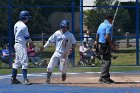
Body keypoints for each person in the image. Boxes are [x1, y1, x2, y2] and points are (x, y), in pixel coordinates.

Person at [40, 20, 76, 84]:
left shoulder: (70, 35)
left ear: (67, 27)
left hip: (64, 54)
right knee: (50, 66)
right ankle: (48, 79)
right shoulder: (57, 33)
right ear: (60, 26)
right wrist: (44, 47)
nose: (64, 28)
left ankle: (64, 73)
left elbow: (74, 43)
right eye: (63, 27)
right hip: (56, 53)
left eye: (65, 27)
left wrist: (71, 49)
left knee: (62, 69)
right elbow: (50, 40)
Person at [11, 10, 34, 85]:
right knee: (25, 61)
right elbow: (27, 37)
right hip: (20, 45)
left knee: (17, 62)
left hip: (17, 44)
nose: (28, 18)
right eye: (27, 17)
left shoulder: (16, 24)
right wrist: (32, 44)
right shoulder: (24, 26)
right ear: (24, 17)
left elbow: (16, 34)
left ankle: (13, 79)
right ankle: (25, 79)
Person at [95, 15, 114, 84]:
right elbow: (107, 36)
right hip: (105, 45)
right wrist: (111, 44)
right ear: (110, 19)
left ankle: (105, 77)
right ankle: (104, 77)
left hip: (100, 44)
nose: (112, 21)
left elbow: (97, 35)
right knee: (107, 62)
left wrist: (96, 45)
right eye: (112, 20)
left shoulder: (101, 24)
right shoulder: (109, 25)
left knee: (104, 61)